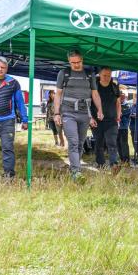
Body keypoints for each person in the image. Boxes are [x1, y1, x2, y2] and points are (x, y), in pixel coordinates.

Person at [53, 49, 103, 181]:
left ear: (82, 60)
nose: (76, 65)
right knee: (73, 142)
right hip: (68, 112)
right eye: (73, 62)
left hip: (84, 113)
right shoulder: (64, 73)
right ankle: (76, 172)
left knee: (80, 143)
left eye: (78, 62)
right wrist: (57, 113)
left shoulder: (89, 74)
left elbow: (95, 94)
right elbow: (58, 94)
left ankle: (74, 167)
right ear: (69, 61)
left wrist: (99, 110)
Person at [90, 66, 121, 174]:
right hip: (97, 121)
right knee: (99, 143)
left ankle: (114, 164)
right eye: (104, 75)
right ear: (99, 74)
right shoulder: (94, 86)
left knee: (111, 142)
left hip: (112, 121)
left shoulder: (114, 87)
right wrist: (90, 118)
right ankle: (101, 164)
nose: (107, 77)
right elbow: (88, 103)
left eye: (109, 75)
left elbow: (118, 103)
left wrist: (118, 116)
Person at [117, 87, 131, 165]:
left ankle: (126, 160)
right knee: (118, 143)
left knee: (124, 144)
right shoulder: (116, 104)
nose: (121, 97)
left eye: (122, 96)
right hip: (116, 127)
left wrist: (118, 113)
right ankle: (122, 158)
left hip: (123, 127)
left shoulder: (127, 105)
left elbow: (122, 114)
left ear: (124, 97)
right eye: (120, 96)